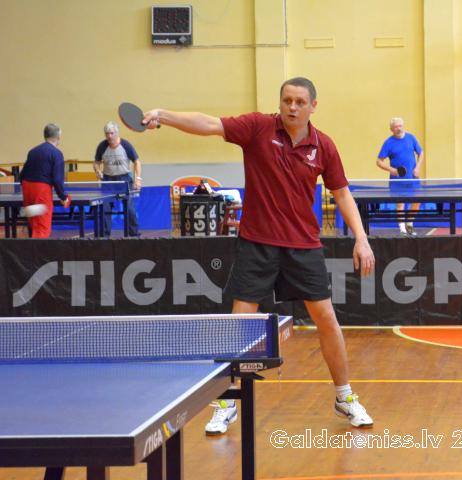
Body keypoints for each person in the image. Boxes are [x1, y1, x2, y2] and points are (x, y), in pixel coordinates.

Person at [142, 77, 376, 434]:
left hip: (303, 244)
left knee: (327, 318)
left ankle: (344, 396)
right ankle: (226, 402)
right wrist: (163, 115)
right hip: (257, 242)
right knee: (240, 320)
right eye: (287, 100)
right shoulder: (257, 128)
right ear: (279, 102)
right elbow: (209, 124)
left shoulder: (323, 146)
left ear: (313, 106)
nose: (292, 107)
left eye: (300, 102)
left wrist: (361, 238)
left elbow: (342, 193)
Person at [19, 123, 71, 238]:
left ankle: (31, 248)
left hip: (27, 189)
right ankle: (39, 250)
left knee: (33, 224)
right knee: (42, 227)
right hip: (41, 191)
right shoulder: (57, 153)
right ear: (58, 137)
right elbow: (57, 180)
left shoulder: (32, 151)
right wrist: (63, 197)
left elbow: (22, 175)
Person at [375, 117, 424, 235]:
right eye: (396, 127)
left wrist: (418, 167)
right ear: (391, 129)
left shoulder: (411, 138)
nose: (398, 128)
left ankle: (409, 224)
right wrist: (391, 170)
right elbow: (379, 161)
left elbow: (421, 153)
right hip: (397, 180)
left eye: (400, 126)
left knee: (417, 202)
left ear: (403, 126)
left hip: (413, 178)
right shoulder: (388, 143)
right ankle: (402, 229)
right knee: (400, 204)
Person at [93, 121, 141, 237]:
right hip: (108, 180)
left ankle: (133, 234)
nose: (109, 136)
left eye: (112, 133)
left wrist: (138, 179)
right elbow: (96, 162)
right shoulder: (102, 146)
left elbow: (137, 162)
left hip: (124, 180)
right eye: (107, 133)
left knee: (129, 209)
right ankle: (104, 236)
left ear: (117, 133)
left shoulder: (126, 145)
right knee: (105, 208)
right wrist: (98, 170)